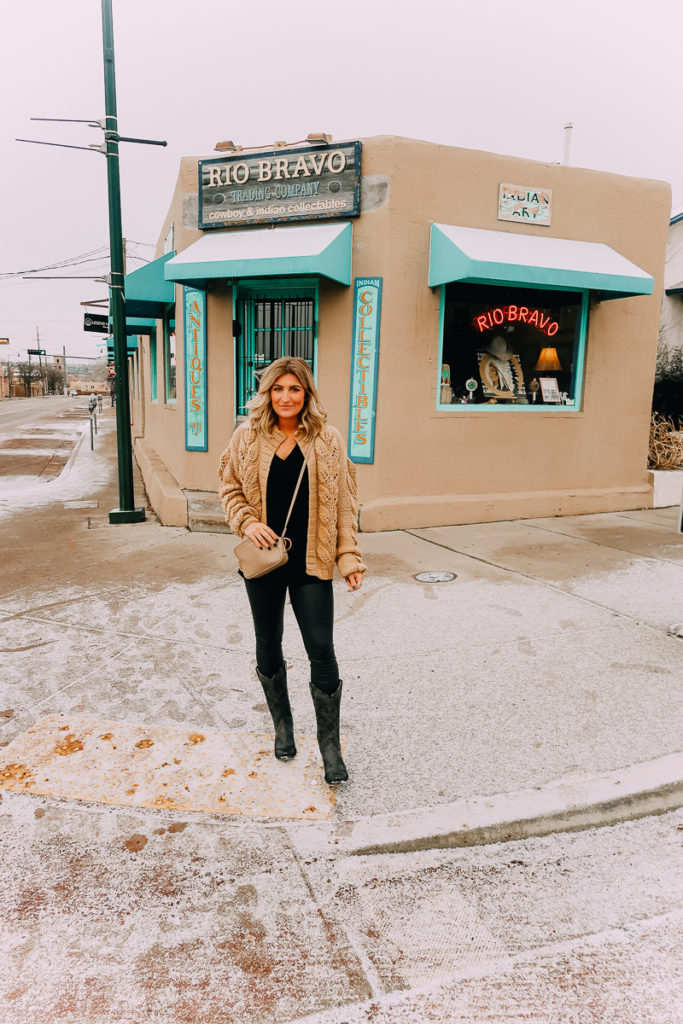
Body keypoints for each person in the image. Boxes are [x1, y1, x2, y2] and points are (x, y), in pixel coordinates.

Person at [218, 357, 365, 784]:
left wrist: (348, 556)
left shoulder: (329, 439)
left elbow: (343, 503)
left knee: (321, 646)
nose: (285, 397)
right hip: (264, 561)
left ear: (307, 394)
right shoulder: (246, 437)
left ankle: (330, 748)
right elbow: (228, 488)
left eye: (294, 389)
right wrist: (247, 521)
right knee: (269, 640)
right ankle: (283, 727)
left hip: (311, 560)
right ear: (267, 393)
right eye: (277, 388)